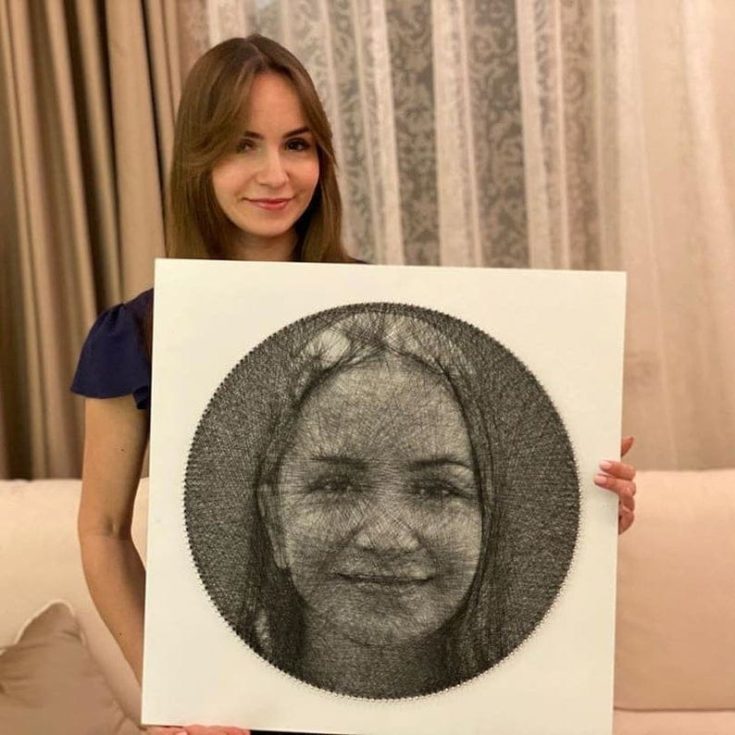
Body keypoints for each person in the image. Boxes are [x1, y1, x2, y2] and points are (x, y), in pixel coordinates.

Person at [72, 34, 637, 735]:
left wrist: (588, 497)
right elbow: (100, 531)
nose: (275, 174)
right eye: (243, 145)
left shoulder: (393, 308)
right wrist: (169, 691)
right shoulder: (137, 333)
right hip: (245, 716)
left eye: (297, 144)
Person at [185, 304, 581, 699]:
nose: (387, 539)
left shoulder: (535, 700)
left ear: (486, 520)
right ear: (274, 520)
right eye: (336, 486)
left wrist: (602, 511)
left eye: (437, 490)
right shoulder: (212, 694)